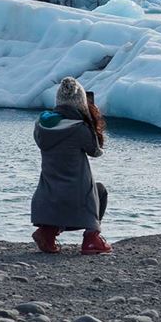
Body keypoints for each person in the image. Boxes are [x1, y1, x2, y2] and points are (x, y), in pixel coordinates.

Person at [30, 77, 112, 255]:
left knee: (59, 197)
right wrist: (93, 120)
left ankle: (47, 233)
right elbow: (96, 151)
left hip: (47, 201)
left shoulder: (41, 126)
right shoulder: (80, 129)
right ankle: (91, 238)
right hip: (76, 200)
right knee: (100, 191)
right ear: (81, 102)